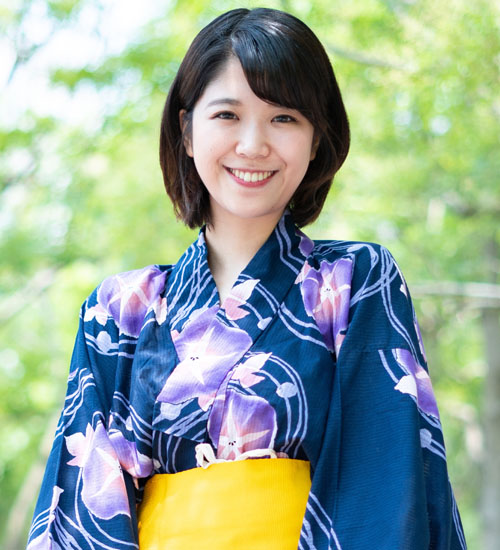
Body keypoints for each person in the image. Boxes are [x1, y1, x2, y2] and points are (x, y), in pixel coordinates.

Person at [27, 7, 466, 550]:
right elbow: (79, 506)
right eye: (228, 115)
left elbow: (386, 487)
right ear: (186, 131)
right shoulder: (120, 309)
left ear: (316, 138)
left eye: (284, 118)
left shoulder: (355, 283)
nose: (254, 145)